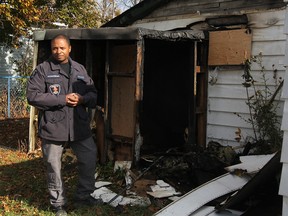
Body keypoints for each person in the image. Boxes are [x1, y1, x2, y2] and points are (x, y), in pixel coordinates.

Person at [27, 34, 99, 216]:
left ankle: (84, 196)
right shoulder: (43, 70)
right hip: (53, 127)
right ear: (52, 49)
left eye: (62, 48)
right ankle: (58, 203)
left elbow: (93, 94)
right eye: (54, 48)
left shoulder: (80, 69)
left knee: (89, 159)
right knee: (53, 166)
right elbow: (32, 96)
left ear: (69, 49)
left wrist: (82, 98)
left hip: (79, 127)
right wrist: (62, 99)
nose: (58, 51)